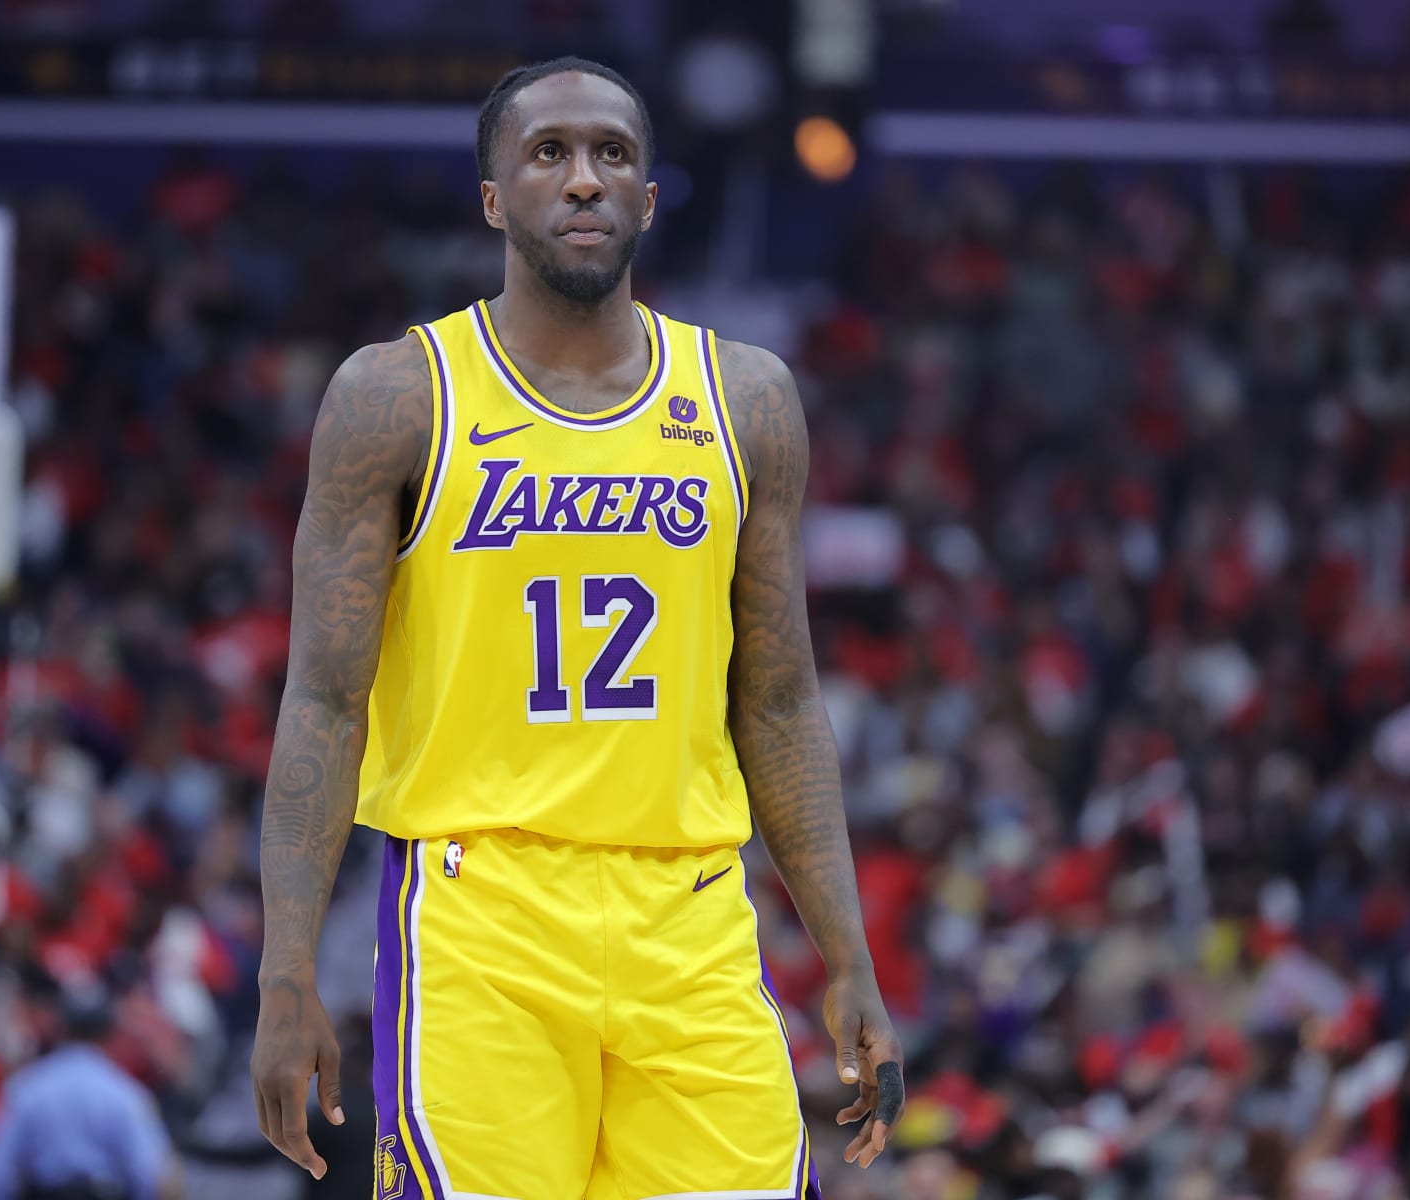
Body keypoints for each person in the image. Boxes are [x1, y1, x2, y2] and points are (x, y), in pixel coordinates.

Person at [250, 56, 905, 1198]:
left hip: (691, 909)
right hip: (481, 911)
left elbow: (783, 699)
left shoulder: (747, 399)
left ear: (651, 197)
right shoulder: (397, 397)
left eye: (614, 154)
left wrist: (847, 953)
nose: (586, 178)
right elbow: (321, 699)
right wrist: (286, 970)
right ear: (495, 195)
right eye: (550, 152)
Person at [0, 983, 182, 1200]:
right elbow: (150, 1176)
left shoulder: (27, 1087)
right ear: (108, 1033)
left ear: (60, 1028)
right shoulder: (124, 1092)